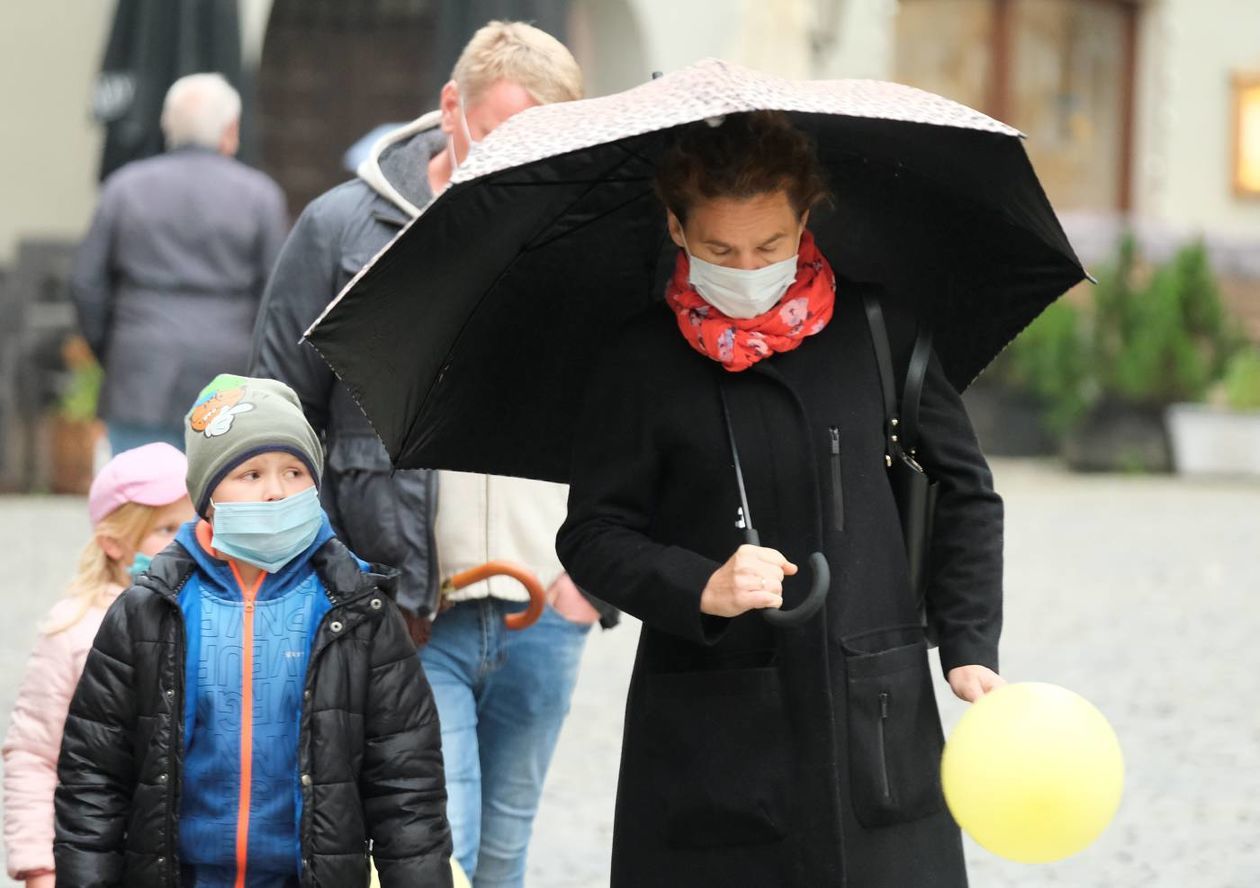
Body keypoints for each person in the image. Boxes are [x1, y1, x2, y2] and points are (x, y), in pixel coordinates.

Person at [556, 111, 1006, 887]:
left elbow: (966, 490)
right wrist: (698, 584)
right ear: (676, 227)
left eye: (769, 245)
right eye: (719, 250)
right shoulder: (639, 359)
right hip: (712, 734)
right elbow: (592, 532)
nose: (746, 268)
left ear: (805, 218)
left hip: (873, 710)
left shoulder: (880, 332)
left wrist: (968, 645)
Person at [251, 22, 612, 886]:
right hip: (405, 608)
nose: (516, 164)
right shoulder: (343, 227)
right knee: (432, 844)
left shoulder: (590, 236)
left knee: (505, 854)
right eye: (498, 137)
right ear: (451, 108)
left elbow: (626, 409)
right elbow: (279, 415)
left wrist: (587, 583)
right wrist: (331, 579)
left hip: (545, 609)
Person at [52, 374, 452, 888]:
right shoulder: (148, 611)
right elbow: (94, 777)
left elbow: (406, 788)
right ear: (207, 496)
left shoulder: (358, 614)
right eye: (250, 474)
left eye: (293, 472)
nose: (275, 493)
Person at [2, 444, 192, 888]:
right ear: (113, 544)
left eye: (194, 525)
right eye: (165, 529)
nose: (184, 543)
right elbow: (34, 752)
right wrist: (39, 866)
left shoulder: (218, 619)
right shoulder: (74, 632)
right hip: (104, 859)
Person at [71, 73, 289, 455]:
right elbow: (279, 295)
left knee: (141, 504)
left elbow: (86, 282)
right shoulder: (259, 196)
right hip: (228, 373)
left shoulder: (124, 187)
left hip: (139, 365)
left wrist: (115, 347)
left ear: (166, 125)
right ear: (231, 129)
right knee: (218, 504)